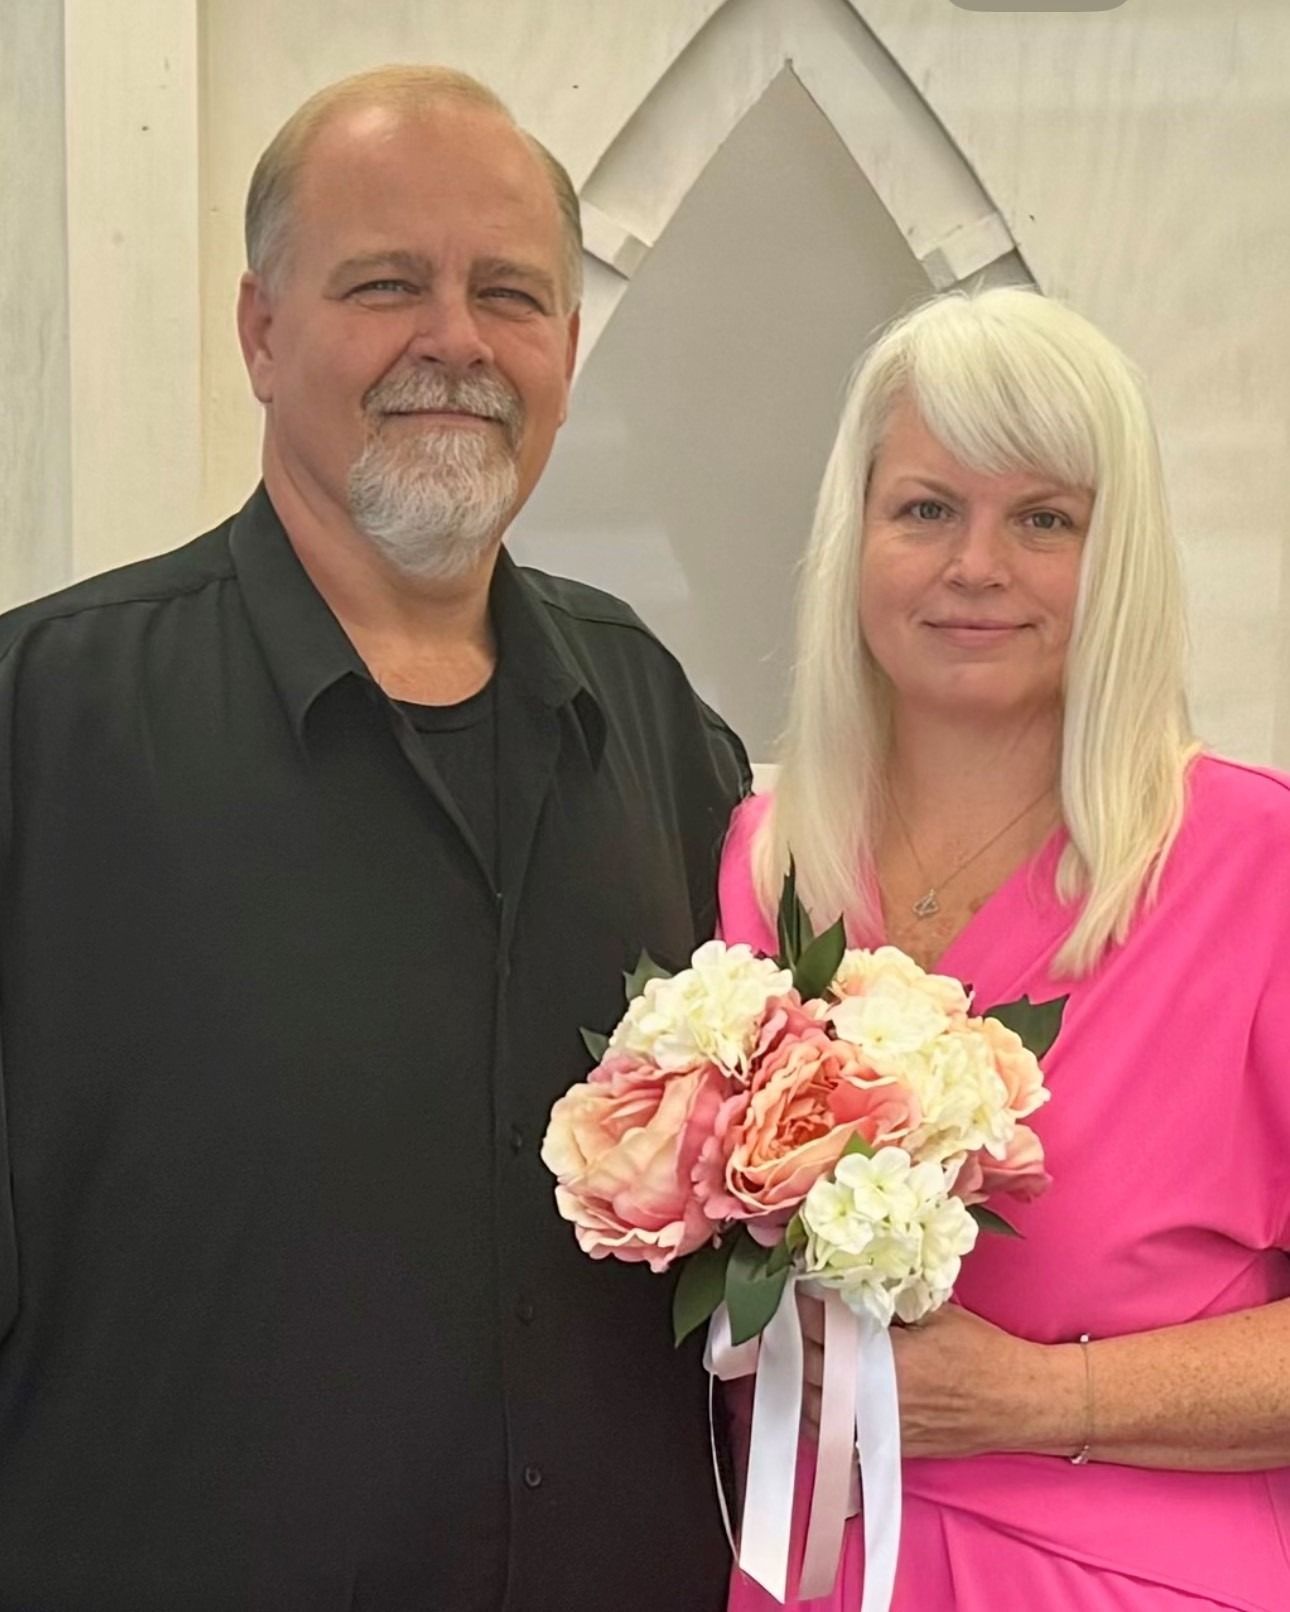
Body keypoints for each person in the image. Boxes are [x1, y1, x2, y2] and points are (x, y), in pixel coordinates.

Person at [0, 67, 747, 1611]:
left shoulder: (663, 730)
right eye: (386, 284)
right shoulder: (41, 726)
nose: (455, 342)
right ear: (261, 333)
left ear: (564, 349)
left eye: (509, 295)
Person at [719, 287, 1290, 1610]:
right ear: (854, 538)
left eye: (1042, 519)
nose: (976, 564)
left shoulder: (1254, 866)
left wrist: (1043, 1396)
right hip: (802, 1572)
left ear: (1118, 559)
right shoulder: (762, 867)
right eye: (926, 509)